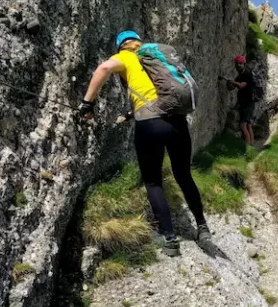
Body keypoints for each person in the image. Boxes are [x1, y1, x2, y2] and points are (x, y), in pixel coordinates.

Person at [79, 31, 211, 257]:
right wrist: (131, 114)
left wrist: (87, 104)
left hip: (151, 125)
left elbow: (103, 69)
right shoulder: (154, 56)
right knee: (184, 175)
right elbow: (155, 92)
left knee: (153, 182)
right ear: (138, 41)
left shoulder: (127, 57)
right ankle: (202, 227)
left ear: (121, 46)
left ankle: (169, 240)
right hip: (177, 122)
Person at [231, 55, 255, 146]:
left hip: (247, 103)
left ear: (244, 64)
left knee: (243, 125)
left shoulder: (247, 74)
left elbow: (241, 85)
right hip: (247, 103)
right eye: (237, 63)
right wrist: (230, 83)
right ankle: (251, 145)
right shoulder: (240, 76)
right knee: (248, 125)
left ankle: (247, 147)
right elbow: (231, 88)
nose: (238, 65)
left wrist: (232, 82)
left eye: (240, 63)